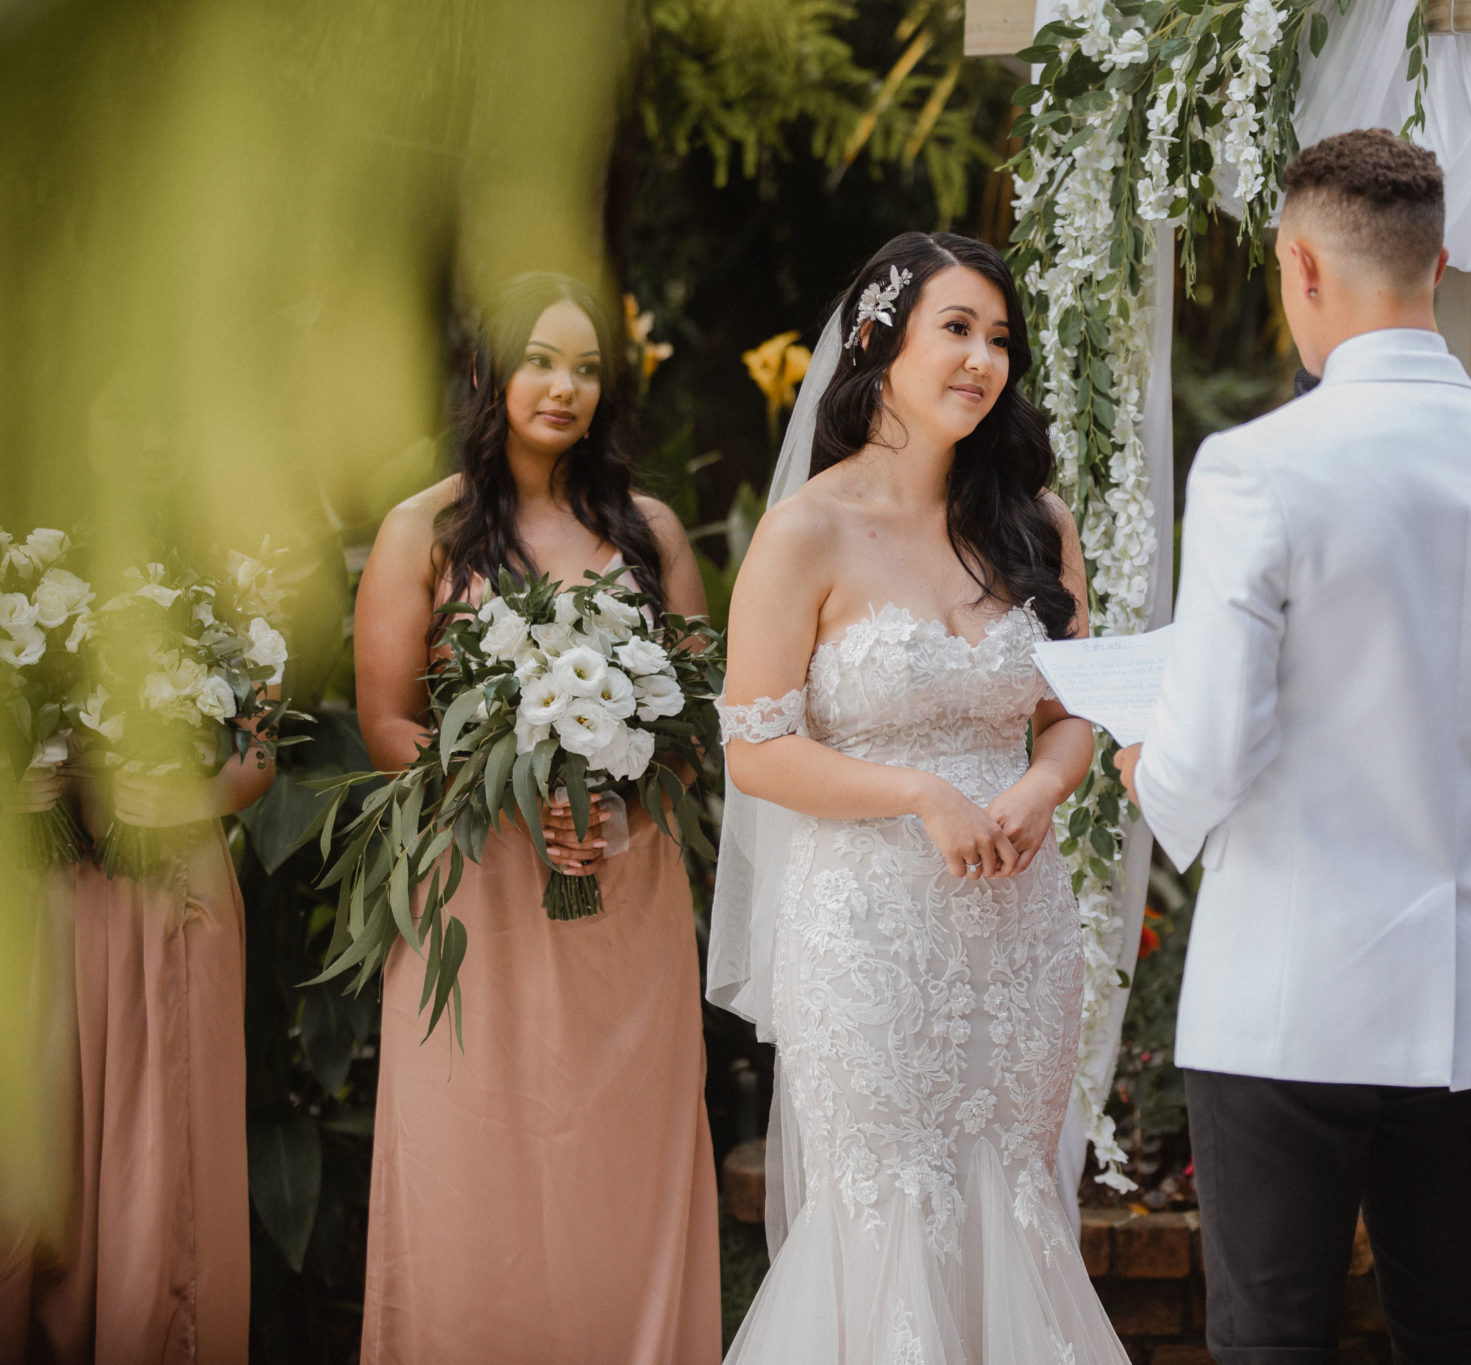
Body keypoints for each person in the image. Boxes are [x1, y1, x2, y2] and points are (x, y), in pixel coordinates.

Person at [1115, 129, 1471, 1364]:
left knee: (1273, 1335)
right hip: (1463, 995)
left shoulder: (1254, 468)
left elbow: (1207, 749)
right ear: (1434, 262)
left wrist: (1142, 766)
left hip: (1289, 989)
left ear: (1299, 266)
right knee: (1450, 1325)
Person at [709, 231, 1126, 1363]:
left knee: (1016, 1193)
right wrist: (916, 793)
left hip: (1021, 927)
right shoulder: (805, 533)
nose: (983, 360)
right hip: (866, 931)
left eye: (999, 340)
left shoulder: (1035, 524)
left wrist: (1043, 783)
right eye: (956, 330)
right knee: (890, 1207)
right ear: (878, 343)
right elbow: (755, 750)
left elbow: (1071, 710)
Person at [352, 273, 719, 1364]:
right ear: (486, 371)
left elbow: (697, 717)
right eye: (540, 360)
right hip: (480, 889)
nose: (565, 387)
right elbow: (385, 719)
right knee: (477, 1149)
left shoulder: (648, 534)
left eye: (588, 367)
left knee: (617, 1159)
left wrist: (618, 801)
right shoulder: (422, 530)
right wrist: (509, 799)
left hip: (625, 886)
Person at [0, 745, 271, 1365]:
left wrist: (191, 800)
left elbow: (259, 748)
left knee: (161, 1162)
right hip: (27, 881)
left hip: (167, 879)